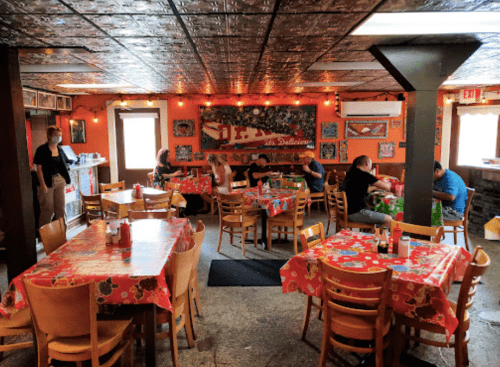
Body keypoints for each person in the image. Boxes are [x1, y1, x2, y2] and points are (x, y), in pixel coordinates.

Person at [34, 126, 72, 230]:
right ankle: (44, 235)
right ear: (49, 136)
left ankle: (62, 232)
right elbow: (39, 168)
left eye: (60, 135)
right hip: (47, 182)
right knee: (48, 209)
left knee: (60, 209)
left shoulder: (60, 149)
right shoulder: (42, 150)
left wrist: (65, 179)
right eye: (56, 135)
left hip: (60, 181)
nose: (59, 137)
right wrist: (43, 185)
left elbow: (65, 163)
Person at [341, 155, 392, 227]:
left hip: (347, 211)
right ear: (367, 163)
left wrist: (374, 187)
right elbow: (387, 187)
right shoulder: (364, 175)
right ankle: (378, 237)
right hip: (356, 213)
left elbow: (359, 189)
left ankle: (371, 233)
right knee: (389, 219)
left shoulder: (350, 173)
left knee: (375, 210)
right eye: (371, 164)